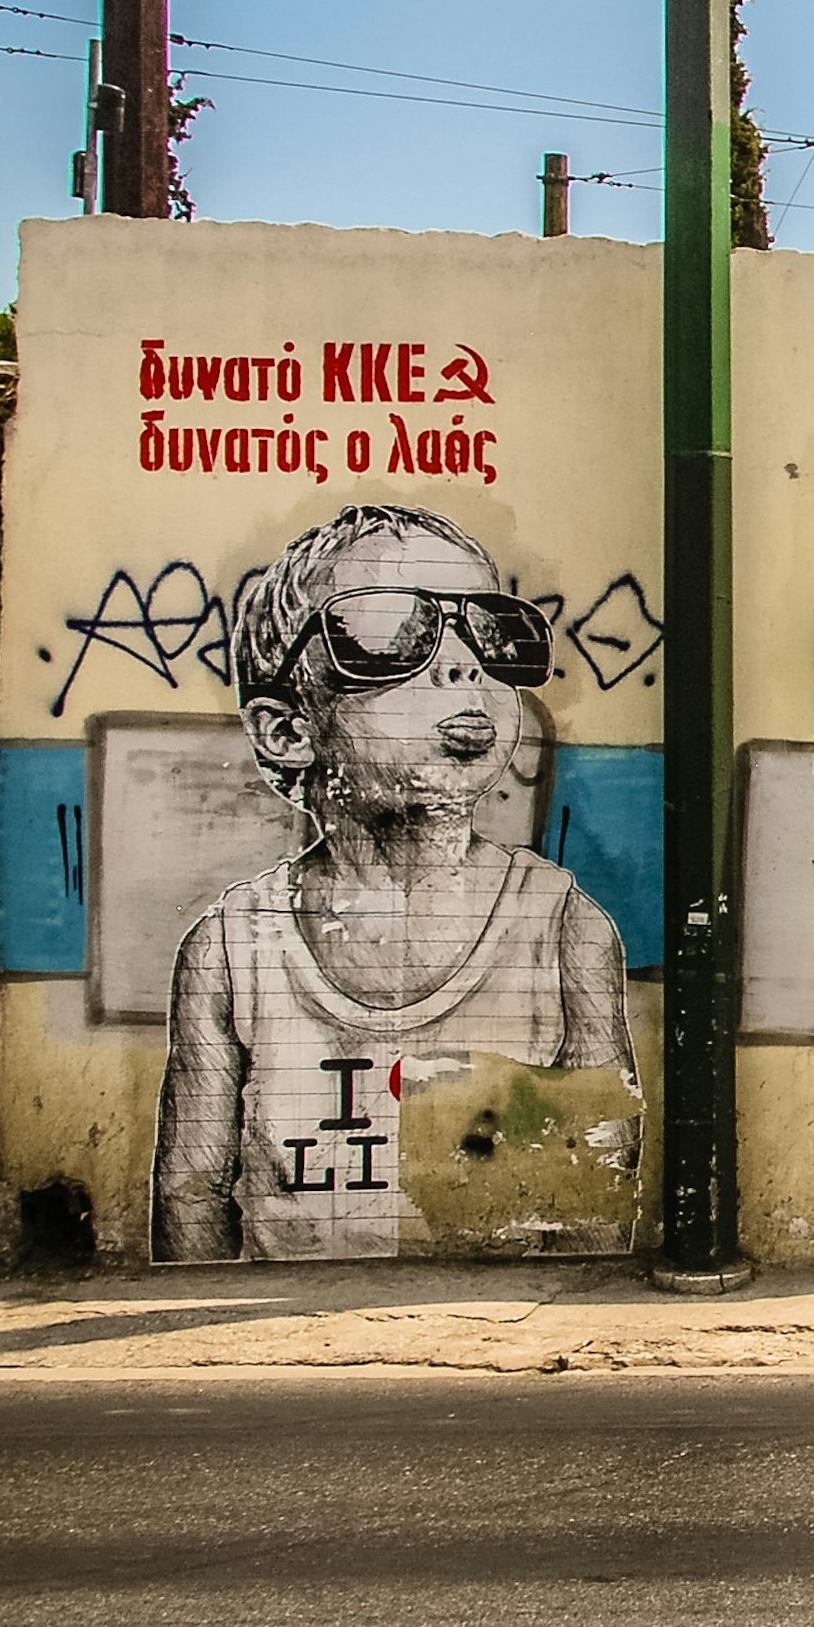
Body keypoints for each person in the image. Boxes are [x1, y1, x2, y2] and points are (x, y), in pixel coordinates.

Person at [155, 503, 634, 1263]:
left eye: (492, 630)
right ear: (288, 729)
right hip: (286, 1341)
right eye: (388, 634)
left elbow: (596, 1189)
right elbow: (194, 1190)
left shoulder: (562, 929)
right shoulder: (232, 947)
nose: (461, 665)